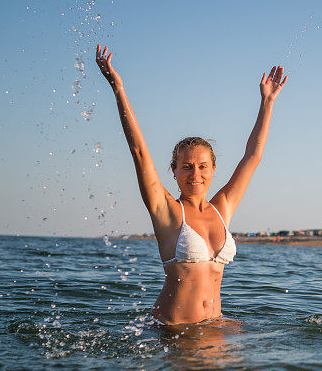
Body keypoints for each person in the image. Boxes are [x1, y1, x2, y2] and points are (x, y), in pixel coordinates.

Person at [95, 44, 287, 325]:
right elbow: (139, 151)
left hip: (215, 325)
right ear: (173, 170)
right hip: (174, 332)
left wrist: (267, 103)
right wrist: (118, 89)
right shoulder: (166, 210)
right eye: (185, 167)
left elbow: (253, 156)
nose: (194, 174)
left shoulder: (223, 207)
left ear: (213, 169)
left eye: (201, 166)